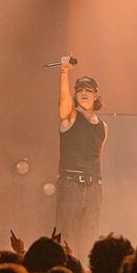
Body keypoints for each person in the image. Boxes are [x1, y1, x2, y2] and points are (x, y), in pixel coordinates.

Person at [56, 56, 108, 258]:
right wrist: (64, 72)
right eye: (80, 90)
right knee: (67, 235)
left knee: (89, 237)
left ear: (96, 95)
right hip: (71, 184)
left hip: (94, 185)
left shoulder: (103, 126)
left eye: (88, 90)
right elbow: (63, 100)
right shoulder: (70, 117)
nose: (84, 93)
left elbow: (98, 157)